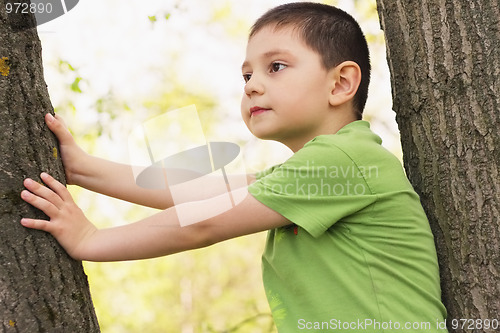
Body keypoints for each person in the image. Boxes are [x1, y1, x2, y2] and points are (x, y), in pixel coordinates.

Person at [20, 2, 448, 332]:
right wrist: (82, 169)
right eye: (246, 76)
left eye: (275, 67)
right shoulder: (322, 174)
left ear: (340, 83)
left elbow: (201, 222)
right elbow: (201, 191)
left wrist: (91, 240)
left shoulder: (345, 162)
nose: (252, 85)